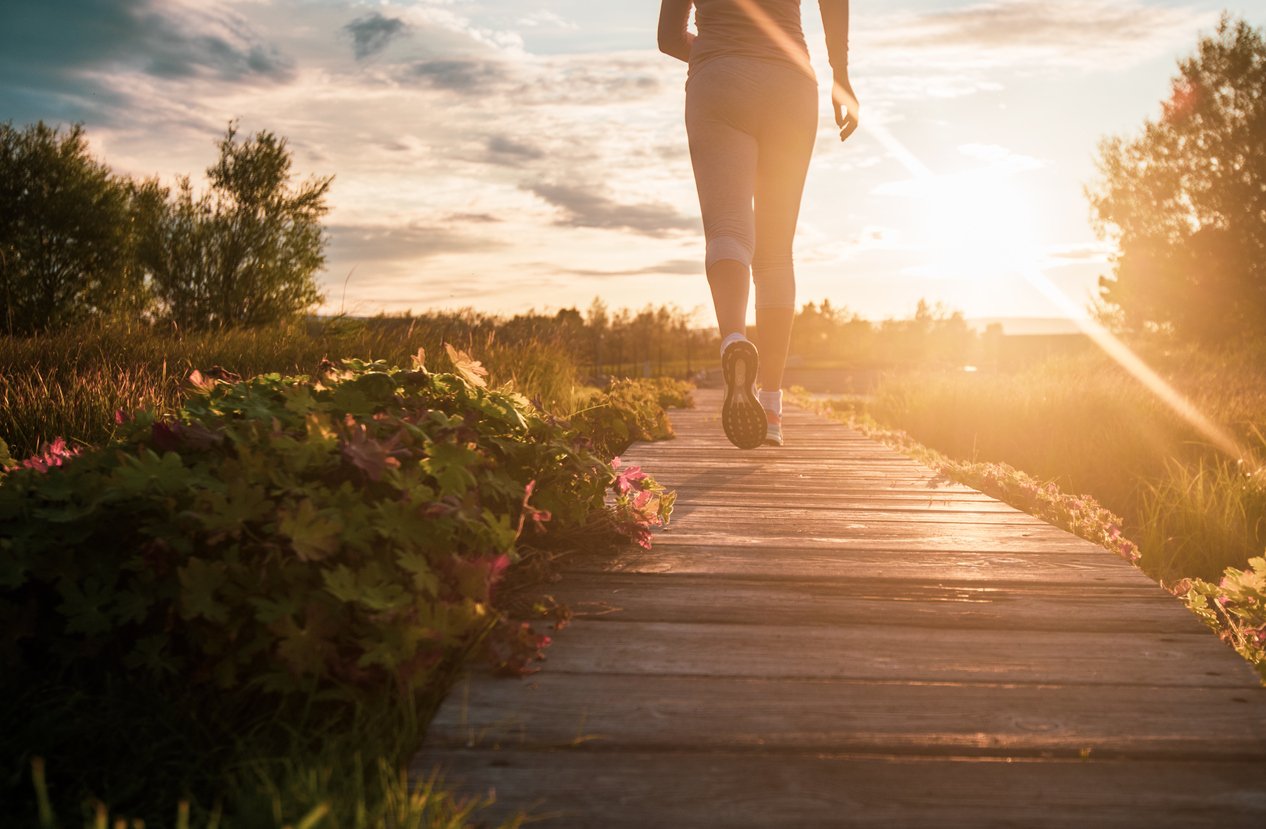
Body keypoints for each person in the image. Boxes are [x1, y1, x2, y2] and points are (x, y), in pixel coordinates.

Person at [658, 0, 858, 449]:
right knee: (775, 252)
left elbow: (669, 36)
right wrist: (840, 75)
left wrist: (717, 53)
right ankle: (770, 409)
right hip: (791, 82)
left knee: (727, 231)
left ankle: (733, 340)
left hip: (718, 79)